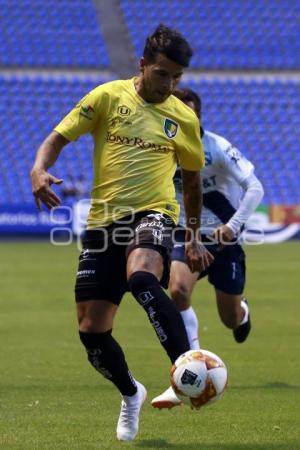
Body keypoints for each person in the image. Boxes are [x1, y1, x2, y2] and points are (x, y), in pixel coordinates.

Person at [30, 26, 213, 441]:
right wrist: (39, 169)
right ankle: (131, 392)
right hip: (103, 222)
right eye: (163, 74)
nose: (169, 84)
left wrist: (195, 236)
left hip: (155, 213)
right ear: (143, 65)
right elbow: (57, 139)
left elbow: (193, 183)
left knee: (142, 275)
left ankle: (189, 366)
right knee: (91, 333)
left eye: (177, 77)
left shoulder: (184, 118)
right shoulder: (108, 97)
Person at [151, 88, 264, 409]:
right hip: (188, 237)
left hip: (225, 241)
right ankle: (192, 362)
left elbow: (255, 188)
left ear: (199, 116)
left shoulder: (217, 148)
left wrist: (233, 226)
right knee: (178, 290)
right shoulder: (162, 148)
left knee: (229, 318)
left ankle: (242, 312)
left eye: (191, 113)